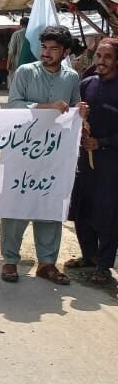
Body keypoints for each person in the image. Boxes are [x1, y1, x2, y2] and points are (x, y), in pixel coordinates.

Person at [3, 25, 81, 285]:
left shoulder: (71, 77)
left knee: (50, 204)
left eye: (53, 49)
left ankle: (47, 263)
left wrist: (81, 112)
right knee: (16, 204)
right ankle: (10, 261)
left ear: (65, 52)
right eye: (44, 47)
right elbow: (13, 105)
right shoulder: (25, 72)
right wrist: (46, 107)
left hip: (54, 154)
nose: (46, 53)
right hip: (22, 150)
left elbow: (73, 112)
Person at [67, 38, 118, 284]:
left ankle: (105, 264)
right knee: (82, 208)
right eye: (98, 56)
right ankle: (89, 255)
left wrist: (103, 142)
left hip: (111, 163)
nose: (101, 61)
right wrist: (78, 114)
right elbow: (70, 118)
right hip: (83, 161)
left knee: (107, 213)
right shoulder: (86, 84)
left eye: (107, 57)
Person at [7, 17, 29, 85]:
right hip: (30, 62)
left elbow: (12, 51)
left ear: (20, 24)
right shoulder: (33, 34)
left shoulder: (16, 34)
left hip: (17, 63)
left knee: (16, 83)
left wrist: (8, 63)